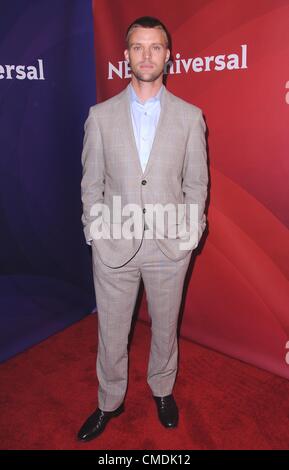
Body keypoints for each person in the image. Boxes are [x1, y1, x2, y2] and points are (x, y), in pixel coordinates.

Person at [77, 16, 208, 442]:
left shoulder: (190, 118)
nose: (147, 55)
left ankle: (162, 388)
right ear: (127, 55)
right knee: (111, 331)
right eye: (138, 47)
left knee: (166, 327)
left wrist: (189, 235)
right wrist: (96, 231)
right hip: (115, 244)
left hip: (171, 246)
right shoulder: (100, 117)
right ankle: (108, 401)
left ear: (168, 56)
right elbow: (90, 183)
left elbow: (196, 184)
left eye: (155, 47)